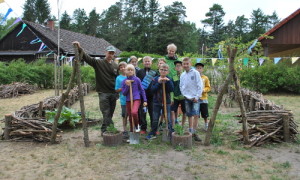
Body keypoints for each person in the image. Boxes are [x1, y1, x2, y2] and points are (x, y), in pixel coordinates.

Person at [73, 42, 118, 135]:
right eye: (109, 52)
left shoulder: (115, 66)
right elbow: (87, 58)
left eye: (112, 53)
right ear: (106, 53)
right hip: (103, 92)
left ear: (114, 54)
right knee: (106, 112)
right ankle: (109, 129)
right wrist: (79, 48)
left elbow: (118, 78)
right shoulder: (98, 63)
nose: (111, 55)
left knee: (110, 113)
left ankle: (104, 129)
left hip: (113, 92)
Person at [146, 64, 174, 140]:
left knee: (168, 118)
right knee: (155, 118)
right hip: (156, 102)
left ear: (168, 71)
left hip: (166, 102)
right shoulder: (154, 79)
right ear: (159, 70)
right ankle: (153, 132)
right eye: (162, 69)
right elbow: (152, 90)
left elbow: (171, 89)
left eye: (165, 70)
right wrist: (158, 83)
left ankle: (170, 133)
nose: (163, 71)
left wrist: (167, 82)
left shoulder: (169, 79)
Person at [180, 57, 203, 141]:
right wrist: (183, 94)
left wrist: (197, 96)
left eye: (187, 64)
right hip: (186, 97)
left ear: (190, 64)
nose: (185, 65)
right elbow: (181, 86)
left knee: (196, 115)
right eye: (184, 64)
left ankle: (195, 132)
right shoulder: (182, 74)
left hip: (195, 97)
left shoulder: (195, 73)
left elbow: (200, 85)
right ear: (182, 65)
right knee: (189, 114)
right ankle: (190, 132)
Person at [122, 64, 147, 132]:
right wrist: (127, 85)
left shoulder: (137, 79)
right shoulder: (124, 81)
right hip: (128, 100)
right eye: (128, 70)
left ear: (134, 71)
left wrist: (145, 100)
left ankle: (137, 125)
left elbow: (142, 90)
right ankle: (131, 131)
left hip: (136, 99)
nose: (130, 71)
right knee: (130, 117)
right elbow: (124, 93)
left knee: (134, 112)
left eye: (131, 70)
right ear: (125, 71)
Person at [136, 56, 158, 134]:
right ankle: (143, 128)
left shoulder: (155, 72)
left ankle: (153, 128)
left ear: (151, 62)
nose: (147, 63)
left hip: (152, 96)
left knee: (152, 113)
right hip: (142, 96)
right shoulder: (139, 72)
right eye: (145, 61)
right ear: (143, 63)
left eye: (148, 61)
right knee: (142, 113)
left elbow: (157, 84)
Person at [195, 62, 211, 131]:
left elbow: (208, 87)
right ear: (196, 69)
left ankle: (206, 125)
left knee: (205, 113)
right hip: (196, 98)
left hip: (204, 98)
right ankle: (195, 125)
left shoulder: (205, 78)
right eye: (197, 68)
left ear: (202, 69)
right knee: (196, 113)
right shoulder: (194, 77)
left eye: (200, 68)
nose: (199, 69)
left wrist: (203, 90)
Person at [171, 60, 186, 127]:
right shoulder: (173, 77)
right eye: (177, 66)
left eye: (180, 66)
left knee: (185, 112)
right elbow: (171, 88)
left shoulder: (185, 75)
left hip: (184, 97)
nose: (178, 67)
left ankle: (182, 125)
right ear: (175, 68)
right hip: (175, 97)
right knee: (173, 111)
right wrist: (172, 98)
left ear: (182, 67)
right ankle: (173, 126)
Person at [115, 61, 128, 137]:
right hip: (123, 99)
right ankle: (125, 129)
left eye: (124, 66)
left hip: (132, 99)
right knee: (124, 115)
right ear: (119, 69)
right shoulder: (118, 78)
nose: (123, 68)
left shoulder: (131, 76)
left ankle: (132, 128)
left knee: (132, 114)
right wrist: (123, 87)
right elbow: (116, 89)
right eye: (121, 67)